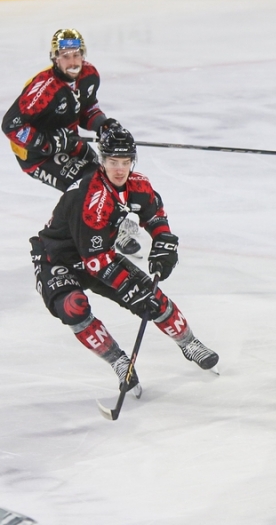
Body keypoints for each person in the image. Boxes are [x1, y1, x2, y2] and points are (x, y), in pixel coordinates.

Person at [29, 126, 219, 398]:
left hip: (96, 254)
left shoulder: (137, 184)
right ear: (102, 161)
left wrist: (163, 240)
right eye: (112, 162)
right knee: (73, 307)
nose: (119, 169)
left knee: (152, 298)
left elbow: (153, 212)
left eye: (125, 161)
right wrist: (129, 287)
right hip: (56, 258)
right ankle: (119, 361)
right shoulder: (91, 199)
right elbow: (94, 261)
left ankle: (189, 343)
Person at [3, 28, 141, 255]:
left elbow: (86, 110)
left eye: (76, 55)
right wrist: (46, 143)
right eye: (65, 56)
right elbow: (11, 126)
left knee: (105, 175)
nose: (72, 61)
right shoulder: (44, 89)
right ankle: (81, 236)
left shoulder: (89, 75)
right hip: (37, 156)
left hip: (69, 142)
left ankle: (114, 226)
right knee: (86, 186)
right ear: (55, 58)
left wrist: (103, 125)